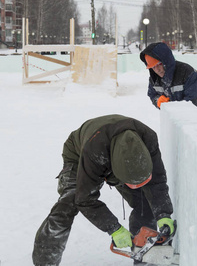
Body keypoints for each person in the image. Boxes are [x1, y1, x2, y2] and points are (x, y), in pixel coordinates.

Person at [32, 114, 174, 266]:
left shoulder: (148, 139)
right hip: (81, 155)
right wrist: (114, 228)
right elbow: (85, 199)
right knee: (68, 204)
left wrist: (163, 213)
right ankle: (45, 261)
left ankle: (144, 257)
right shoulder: (94, 150)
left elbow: (157, 180)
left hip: (119, 157)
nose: (135, 188)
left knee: (146, 203)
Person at [140, 42, 197, 114]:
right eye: (153, 67)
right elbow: (152, 94)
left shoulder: (187, 73)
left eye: (159, 64)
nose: (157, 70)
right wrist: (157, 101)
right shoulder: (154, 79)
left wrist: (173, 109)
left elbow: (193, 100)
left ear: (166, 61)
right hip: (174, 118)